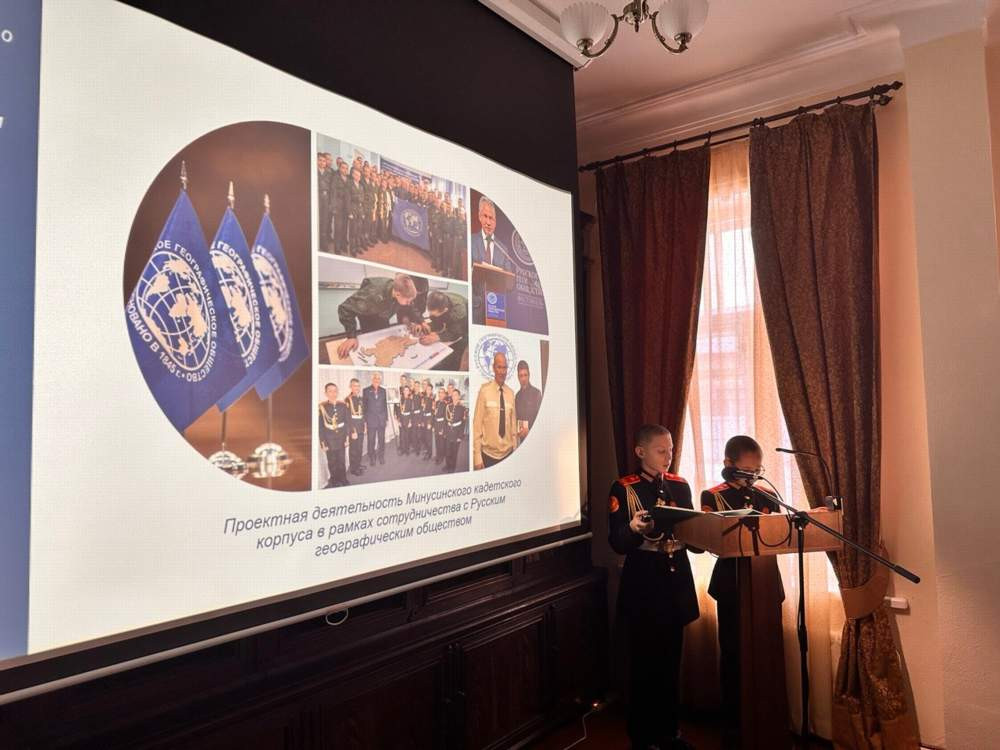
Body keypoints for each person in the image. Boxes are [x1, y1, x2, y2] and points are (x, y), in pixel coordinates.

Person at [608, 424, 700, 750]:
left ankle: (670, 732)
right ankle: (643, 737)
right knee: (644, 665)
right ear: (640, 452)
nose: (668, 456)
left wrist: (706, 532)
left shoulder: (680, 485)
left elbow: (692, 533)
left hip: (675, 579)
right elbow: (617, 542)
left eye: (671, 449)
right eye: (661, 450)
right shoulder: (624, 488)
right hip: (645, 582)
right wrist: (633, 529)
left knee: (670, 663)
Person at [700, 435, 786, 747]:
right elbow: (709, 538)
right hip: (732, 582)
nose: (752, 477)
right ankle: (735, 727)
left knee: (767, 653)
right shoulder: (713, 496)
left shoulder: (767, 495)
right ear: (728, 464)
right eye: (746, 470)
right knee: (734, 654)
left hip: (765, 582)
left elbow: (780, 532)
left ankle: (768, 722)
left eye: (756, 471)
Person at [336, 274, 420, 360]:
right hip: (368, 316)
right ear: (398, 294)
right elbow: (345, 308)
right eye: (408, 301)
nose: (409, 303)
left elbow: (411, 306)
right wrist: (351, 336)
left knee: (385, 339)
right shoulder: (372, 295)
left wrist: (419, 321)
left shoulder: (402, 292)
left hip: (383, 314)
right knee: (371, 341)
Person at [472, 351, 518, 469]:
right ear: (493, 368)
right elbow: (477, 426)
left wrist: (515, 452)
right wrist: (477, 456)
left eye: (505, 368)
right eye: (499, 367)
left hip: (508, 455)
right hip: (488, 456)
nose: (502, 371)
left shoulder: (511, 394)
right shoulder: (484, 391)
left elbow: (513, 427)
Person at [412, 290, 467, 371]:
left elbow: (456, 334)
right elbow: (437, 322)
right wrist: (424, 325)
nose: (430, 315)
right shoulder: (436, 301)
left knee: (458, 352)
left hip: (466, 323)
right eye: (429, 312)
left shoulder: (458, 312)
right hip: (450, 315)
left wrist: (438, 337)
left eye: (433, 314)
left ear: (445, 310)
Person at [470, 195, 514, 271]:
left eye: (491, 218)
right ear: (480, 217)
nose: (488, 222)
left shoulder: (503, 250)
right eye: (485, 216)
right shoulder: (471, 240)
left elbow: (508, 275)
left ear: (495, 222)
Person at [318, 382, 349, 488]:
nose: (333, 393)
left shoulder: (343, 405)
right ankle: (335, 480)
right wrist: (323, 442)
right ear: (326, 393)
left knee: (341, 460)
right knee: (332, 461)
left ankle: (343, 478)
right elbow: (321, 427)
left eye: (335, 391)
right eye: (330, 391)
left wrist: (347, 438)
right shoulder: (322, 407)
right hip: (329, 439)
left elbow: (347, 423)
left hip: (341, 438)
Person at [362, 371, 388, 465]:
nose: (377, 380)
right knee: (371, 440)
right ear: (372, 379)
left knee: (381, 440)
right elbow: (364, 407)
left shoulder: (383, 390)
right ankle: (372, 457)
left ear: (380, 380)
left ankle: (381, 456)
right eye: (375, 378)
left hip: (381, 420)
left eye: (378, 378)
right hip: (371, 420)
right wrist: (365, 421)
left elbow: (385, 405)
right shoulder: (366, 390)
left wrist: (386, 418)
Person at [513, 360, 542, 436]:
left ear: (529, 375)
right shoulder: (517, 397)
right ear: (518, 377)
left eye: (525, 375)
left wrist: (530, 432)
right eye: (521, 376)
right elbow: (516, 420)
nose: (523, 379)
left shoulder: (537, 394)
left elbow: (541, 420)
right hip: (522, 439)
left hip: (536, 437)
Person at [345, 378, 366, 477]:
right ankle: (353, 469)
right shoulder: (347, 400)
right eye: (354, 386)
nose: (357, 388)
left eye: (358, 386)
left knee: (359, 448)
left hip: (361, 426)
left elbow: (363, 414)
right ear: (350, 387)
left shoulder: (360, 398)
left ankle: (358, 464)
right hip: (353, 428)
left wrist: (365, 425)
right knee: (354, 449)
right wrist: (353, 431)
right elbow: (347, 418)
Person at [444, 387, 467, 472]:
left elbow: (463, 423)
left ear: (459, 396)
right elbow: (446, 421)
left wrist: (460, 436)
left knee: (454, 451)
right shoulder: (448, 406)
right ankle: (447, 465)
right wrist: (445, 432)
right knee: (447, 451)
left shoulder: (462, 408)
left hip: (457, 433)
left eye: (456, 395)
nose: (454, 397)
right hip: (449, 431)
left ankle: (452, 467)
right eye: (453, 395)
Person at [331, 160, 351, 255]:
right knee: (338, 228)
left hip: (346, 207)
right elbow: (333, 193)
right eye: (343, 168)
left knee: (344, 228)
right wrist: (333, 207)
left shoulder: (348, 179)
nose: (345, 170)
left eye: (346, 168)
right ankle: (337, 247)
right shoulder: (335, 178)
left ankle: (343, 245)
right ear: (339, 168)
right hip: (338, 206)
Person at [348, 166, 365, 257]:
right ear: (353, 175)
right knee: (353, 231)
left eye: (359, 175)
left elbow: (362, 199)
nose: (358, 177)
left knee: (359, 230)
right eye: (356, 175)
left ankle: (358, 247)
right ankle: (353, 249)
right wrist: (349, 212)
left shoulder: (361, 186)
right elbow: (348, 200)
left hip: (360, 211)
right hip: (353, 210)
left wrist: (362, 213)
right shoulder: (349, 185)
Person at [398, 384, 415, 455]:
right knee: (402, 435)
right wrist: (399, 420)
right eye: (405, 390)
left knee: (407, 435)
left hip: (408, 418)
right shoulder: (400, 400)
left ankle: (407, 450)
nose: (406, 391)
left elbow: (412, 412)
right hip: (402, 418)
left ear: (409, 392)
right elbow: (398, 411)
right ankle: (402, 450)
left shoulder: (410, 400)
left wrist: (410, 422)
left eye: (407, 390)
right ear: (403, 391)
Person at [433, 387, 448, 465]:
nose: (440, 394)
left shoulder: (446, 404)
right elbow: (434, 415)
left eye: (442, 393)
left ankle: (441, 457)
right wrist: (433, 425)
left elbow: (446, 418)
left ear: (444, 394)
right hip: (436, 424)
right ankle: (438, 455)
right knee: (437, 441)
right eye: (439, 392)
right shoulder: (436, 402)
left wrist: (443, 429)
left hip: (442, 425)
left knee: (441, 442)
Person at [421, 379, 435, 460]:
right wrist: (422, 421)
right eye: (427, 389)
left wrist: (430, 423)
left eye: (430, 389)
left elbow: (433, 412)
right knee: (424, 436)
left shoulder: (432, 399)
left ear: (431, 390)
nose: (428, 390)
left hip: (429, 419)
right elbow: (422, 409)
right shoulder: (423, 397)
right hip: (424, 418)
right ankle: (426, 450)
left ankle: (429, 454)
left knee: (428, 438)